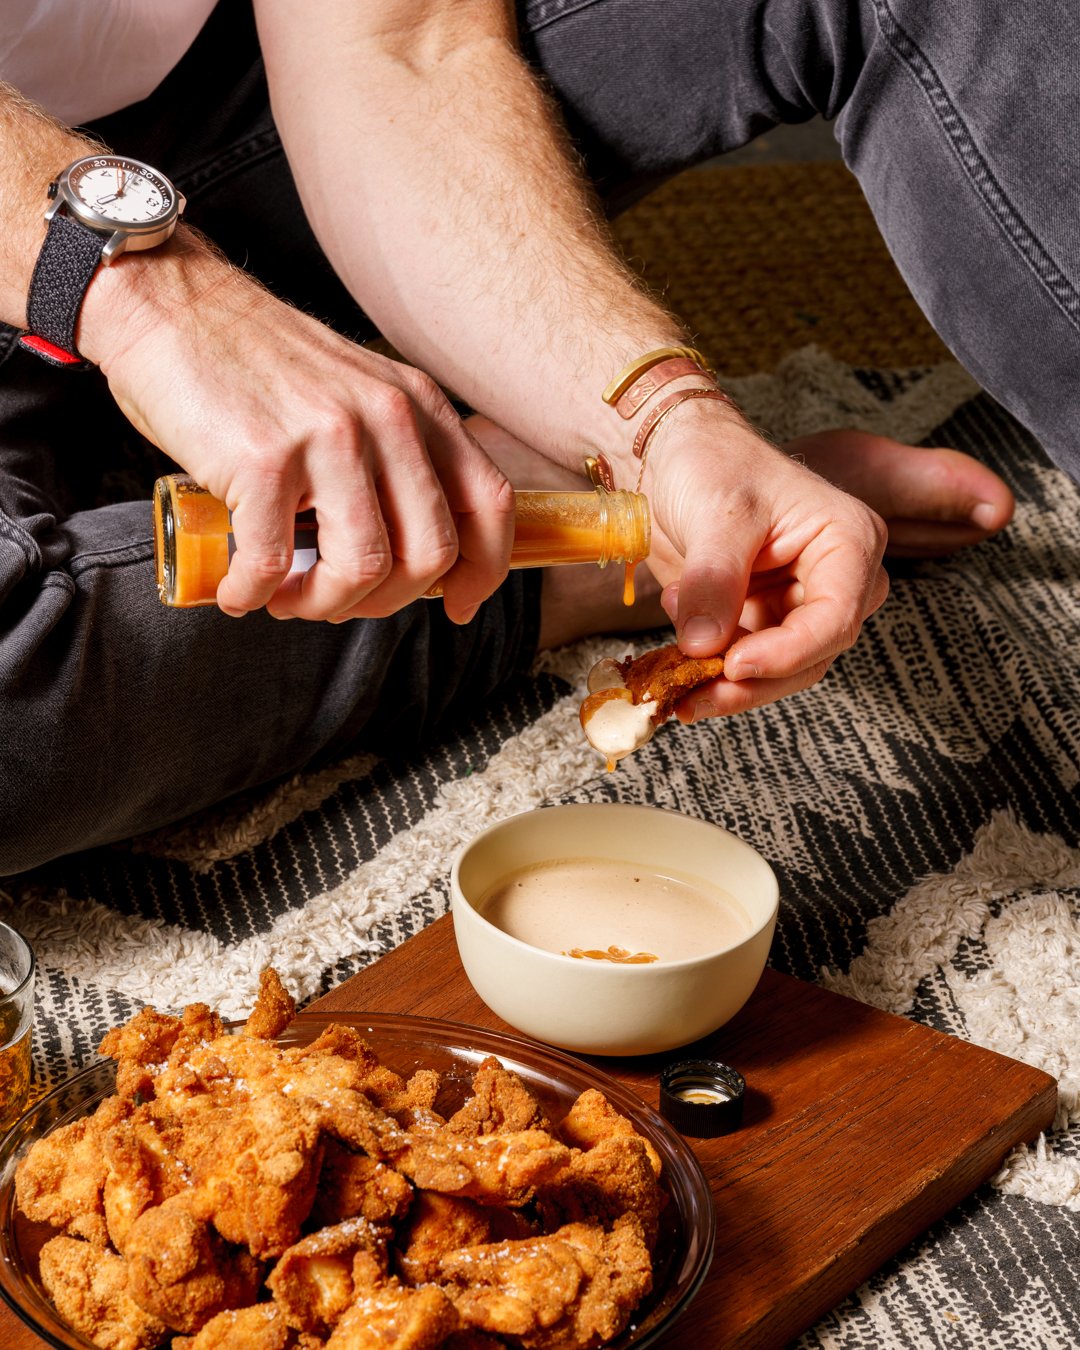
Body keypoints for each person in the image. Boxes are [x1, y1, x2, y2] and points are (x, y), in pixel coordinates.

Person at [0, 0, 1031, 876]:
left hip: (214, 124)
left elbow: (403, 38)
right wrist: (153, 300)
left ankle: (636, 497)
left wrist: (660, 422)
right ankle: (547, 537)